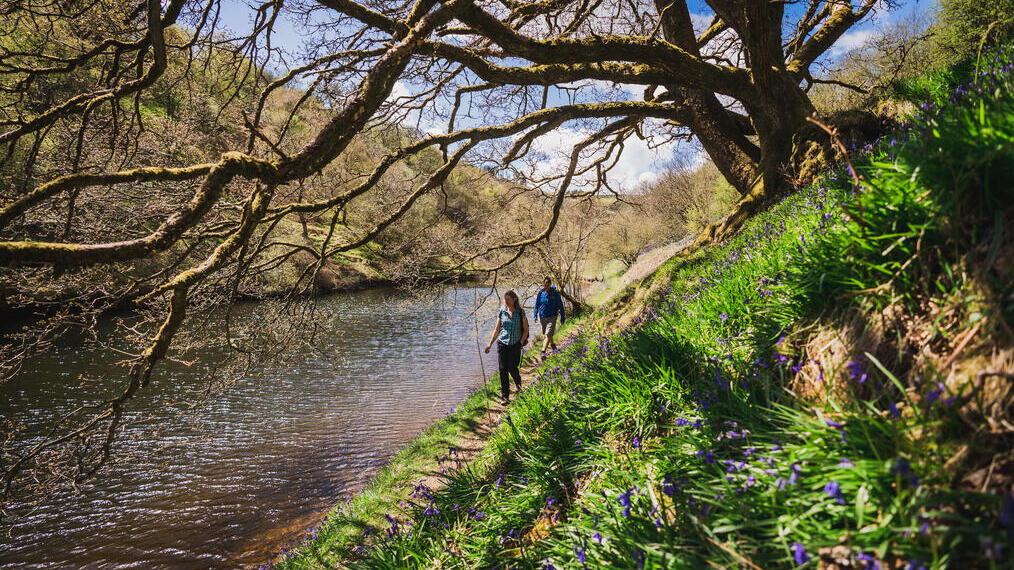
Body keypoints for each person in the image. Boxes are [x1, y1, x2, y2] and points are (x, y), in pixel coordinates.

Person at [485, 290, 529, 405]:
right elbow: (497, 329)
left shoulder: (520, 312)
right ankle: (505, 397)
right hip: (502, 343)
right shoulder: (502, 312)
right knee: (503, 369)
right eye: (505, 300)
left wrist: (521, 342)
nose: (506, 302)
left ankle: (518, 385)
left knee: (512, 368)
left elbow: (526, 329)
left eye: (508, 299)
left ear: (514, 299)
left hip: (515, 344)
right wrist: (489, 344)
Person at [533, 276, 566, 360]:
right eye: (545, 285)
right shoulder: (541, 293)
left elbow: (561, 305)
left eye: (547, 285)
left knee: (548, 334)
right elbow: (536, 305)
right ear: (543, 285)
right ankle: (553, 346)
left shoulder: (555, 293)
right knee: (548, 334)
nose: (546, 287)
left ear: (550, 284)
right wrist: (535, 315)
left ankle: (543, 352)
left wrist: (562, 317)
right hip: (543, 317)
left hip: (552, 316)